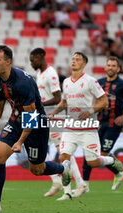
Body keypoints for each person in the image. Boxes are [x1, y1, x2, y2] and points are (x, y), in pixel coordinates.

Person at [0, 45, 71, 213]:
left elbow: (31, 116)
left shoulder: (22, 82)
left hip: (36, 124)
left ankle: (63, 169)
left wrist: (19, 142)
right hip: (17, 120)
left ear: (8, 61)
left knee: (37, 170)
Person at [51, 52, 123, 201]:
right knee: (64, 157)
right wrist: (54, 113)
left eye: (77, 60)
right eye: (72, 59)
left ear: (84, 64)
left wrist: (90, 111)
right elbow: (64, 102)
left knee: (93, 162)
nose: (74, 61)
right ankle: (67, 192)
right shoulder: (65, 82)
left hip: (87, 129)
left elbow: (104, 101)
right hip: (70, 127)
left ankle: (111, 160)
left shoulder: (91, 81)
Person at [30, 48, 86, 197]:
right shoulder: (39, 74)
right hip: (41, 118)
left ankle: (79, 184)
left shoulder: (51, 74)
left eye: (33, 60)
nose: (31, 63)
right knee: (38, 149)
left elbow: (57, 98)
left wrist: (39, 105)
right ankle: (56, 181)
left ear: (41, 57)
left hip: (54, 118)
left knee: (64, 153)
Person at [82, 56, 123, 191]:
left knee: (102, 154)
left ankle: (118, 172)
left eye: (114, 66)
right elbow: (95, 101)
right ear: (105, 67)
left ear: (118, 69)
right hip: (98, 123)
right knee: (89, 151)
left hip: (114, 125)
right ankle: (84, 185)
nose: (111, 68)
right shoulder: (99, 82)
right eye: (109, 65)